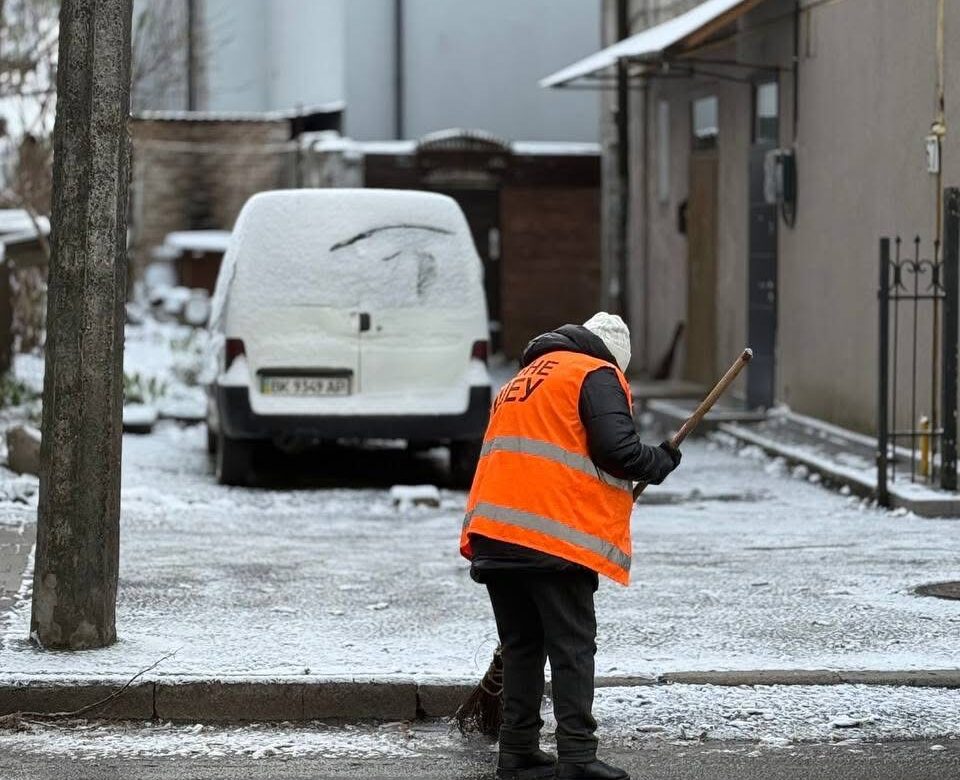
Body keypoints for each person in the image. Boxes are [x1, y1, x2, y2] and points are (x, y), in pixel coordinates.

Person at [460, 313, 682, 780]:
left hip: (495, 532)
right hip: (550, 536)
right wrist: (658, 461)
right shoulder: (593, 373)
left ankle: (517, 752)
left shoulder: (526, 377)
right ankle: (578, 757)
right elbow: (617, 450)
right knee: (572, 649)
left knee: (523, 645)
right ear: (614, 358)